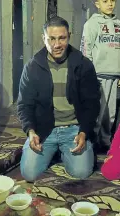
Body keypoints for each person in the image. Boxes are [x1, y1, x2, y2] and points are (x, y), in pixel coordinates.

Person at [17, 16, 101, 182]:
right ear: (44, 38)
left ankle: (63, 150)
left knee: (81, 172)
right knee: (29, 174)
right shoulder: (33, 67)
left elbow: (92, 104)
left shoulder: (83, 65)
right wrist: (31, 131)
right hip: (43, 130)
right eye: (51, 39)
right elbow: (24, 105)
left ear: (69, 36)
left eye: (62, 38)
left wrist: (84, 132)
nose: (57, 45)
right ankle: (55, 150)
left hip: (73, 130)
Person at [80, 0, 120, 151]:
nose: (110, 4)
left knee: (110, 114)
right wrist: (89, 74)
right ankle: (91, 143)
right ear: (97, 3)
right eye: (105, 1)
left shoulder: (119, 24)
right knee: (97, 113)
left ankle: (106, 141)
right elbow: (86, 50)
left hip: (114, 75)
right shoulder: (91, 24)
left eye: (112, 0)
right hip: (98, 75)